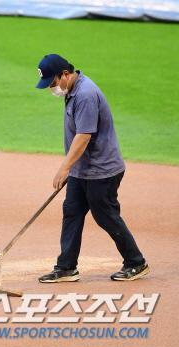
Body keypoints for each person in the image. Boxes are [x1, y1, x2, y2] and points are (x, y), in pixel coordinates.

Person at [34, 54, 149, 282]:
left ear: (65, 74)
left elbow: (84, 136)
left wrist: (64, 167)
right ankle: (66, 267)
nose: (52, 88)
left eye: (53, 82)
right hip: (83, 169)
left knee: (105, 216)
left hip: (101, 170)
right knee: (72, 213)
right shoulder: (72, 89)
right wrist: (73, 168)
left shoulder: (85, 95)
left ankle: (136, 262)